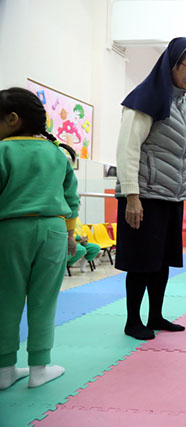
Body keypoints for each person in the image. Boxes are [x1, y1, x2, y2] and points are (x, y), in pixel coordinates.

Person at [115, 37, 186, 340]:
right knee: (141, 261)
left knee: (162, 260)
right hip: (144, 195)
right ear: (173, 64)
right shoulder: (146, 97)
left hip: (172, 195)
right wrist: (132, 195)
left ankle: (155, 315)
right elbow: (128, 147)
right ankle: (132, 321)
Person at [0, 87, 79, 389]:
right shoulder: (57, 153)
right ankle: (39, 368)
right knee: (44, 300)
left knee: (6, 300)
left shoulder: (2, 150)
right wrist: (71, 233)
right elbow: (71, 197)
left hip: (9, 231)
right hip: (54, 230)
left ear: (12, 119)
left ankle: (4, 369)